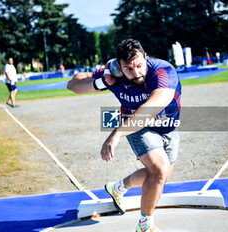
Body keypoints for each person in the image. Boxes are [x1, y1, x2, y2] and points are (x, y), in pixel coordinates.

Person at [67, 39, 181, 232]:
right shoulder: (114, 74)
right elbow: (73, 84)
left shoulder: (163, 71)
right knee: (159, 170)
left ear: (146, 58)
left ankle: (118, 188)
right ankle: (145, 225)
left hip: (167, 124)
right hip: (135, 125)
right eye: (128, 68)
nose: (136, 73)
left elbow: (150, 109)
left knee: (158, 176)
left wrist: (115, 134)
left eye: (139, 65)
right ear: (119, 66)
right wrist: (102, 82)